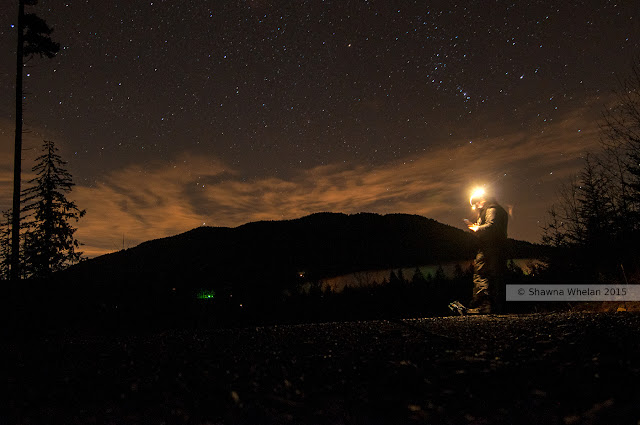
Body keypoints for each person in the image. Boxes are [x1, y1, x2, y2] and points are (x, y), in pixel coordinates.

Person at [464, 189, 509, 314]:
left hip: (489, 249)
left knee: (482, 275)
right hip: (497, 249)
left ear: (482, 199)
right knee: (495, 277)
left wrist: (477, 228)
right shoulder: (497, 210)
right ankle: (495, 307)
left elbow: (492, 227)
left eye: (476, 203)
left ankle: (484, 306)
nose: (476, 207)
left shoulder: (491, 209)